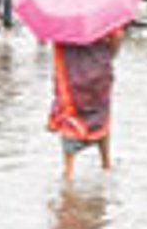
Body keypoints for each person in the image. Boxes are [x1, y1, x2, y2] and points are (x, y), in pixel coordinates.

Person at [48, 30, 122, 182]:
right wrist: (108, 55)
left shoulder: (62, 15)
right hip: (99, 70)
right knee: (101, 115)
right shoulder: (104, 12)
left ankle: (68, 173)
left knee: (71, 114)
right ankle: (106, 163)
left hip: (70, 71)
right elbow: (117, 36)